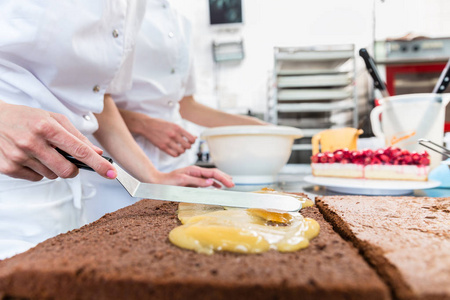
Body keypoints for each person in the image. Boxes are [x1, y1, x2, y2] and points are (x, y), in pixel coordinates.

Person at [0, 0, 233, 260]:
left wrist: (153, 177)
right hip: (8, 186)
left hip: (64, 187)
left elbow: (99, 98)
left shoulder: (132, 6)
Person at [83, 0, 267, 223]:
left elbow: (186, 105)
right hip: (117, 173)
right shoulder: (113, 8)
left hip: (175, 168)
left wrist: (257, 127)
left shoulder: (182, 20)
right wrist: (142, 123)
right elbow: (90, 94)